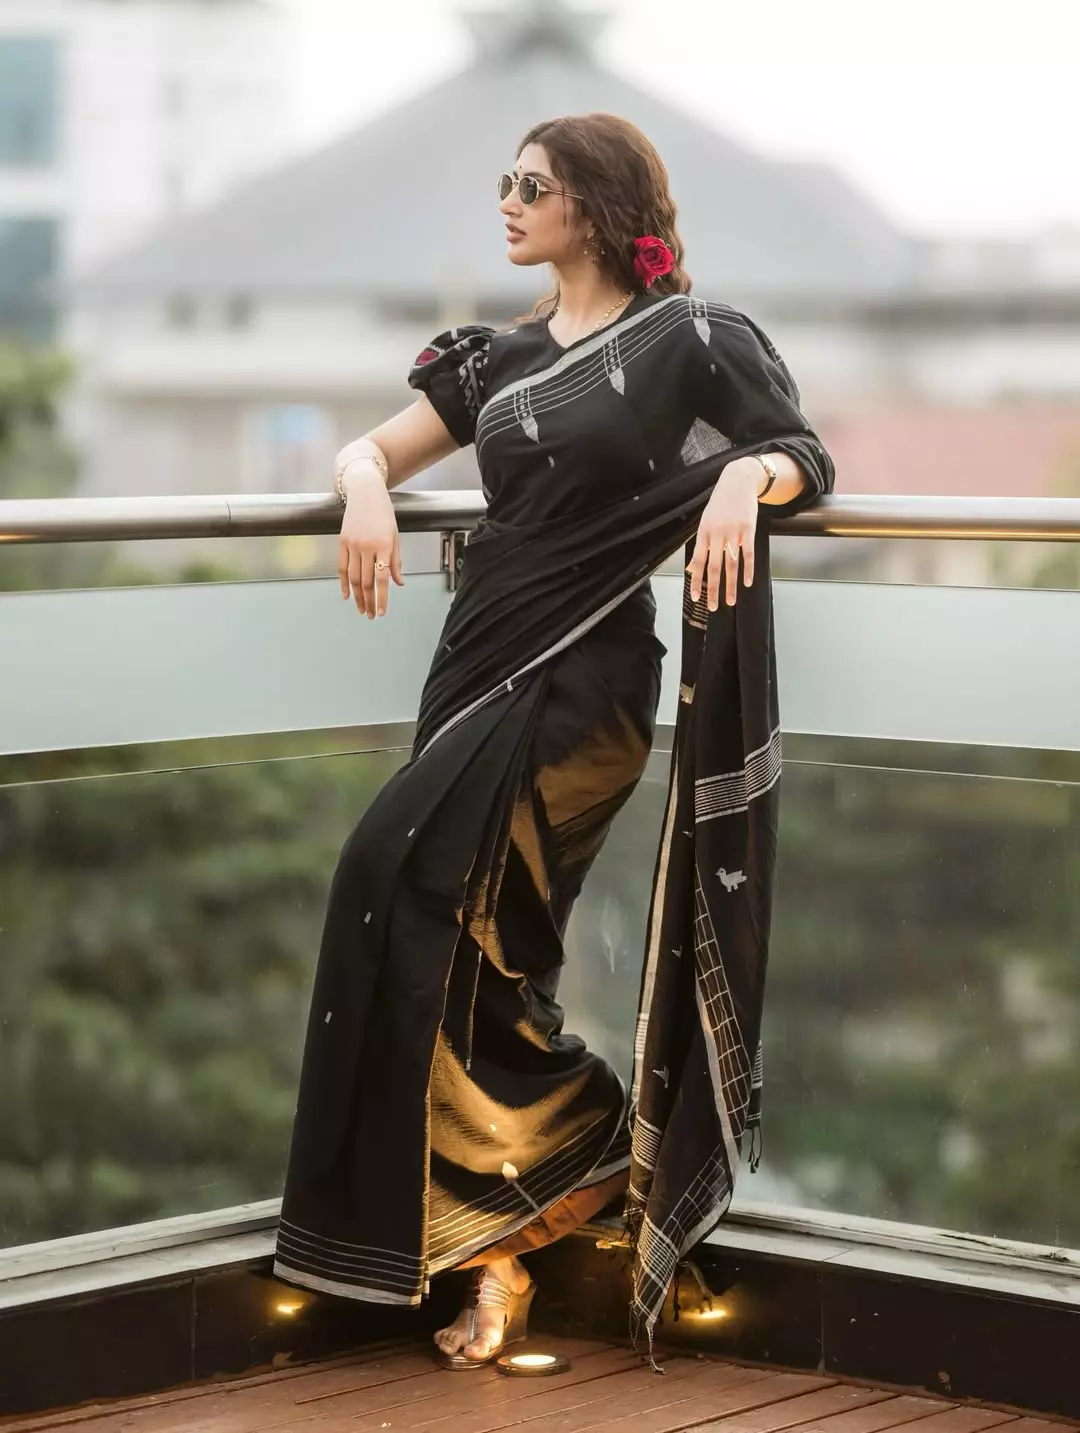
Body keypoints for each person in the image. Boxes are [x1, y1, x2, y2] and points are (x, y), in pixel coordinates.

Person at [273, 112, 834, 1369]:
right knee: (418, 927)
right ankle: (501, 1247)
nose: (510, 202)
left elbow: (801, 451)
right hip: (475, 664)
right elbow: (375, 445)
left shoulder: (689, 337)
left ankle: (596, 1142)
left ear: (596, 202)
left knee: (473, 931)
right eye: (506, 181)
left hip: (587, 686)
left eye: (532, 185)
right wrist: (364, 490)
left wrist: (743, 480)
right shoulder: (499, 358)